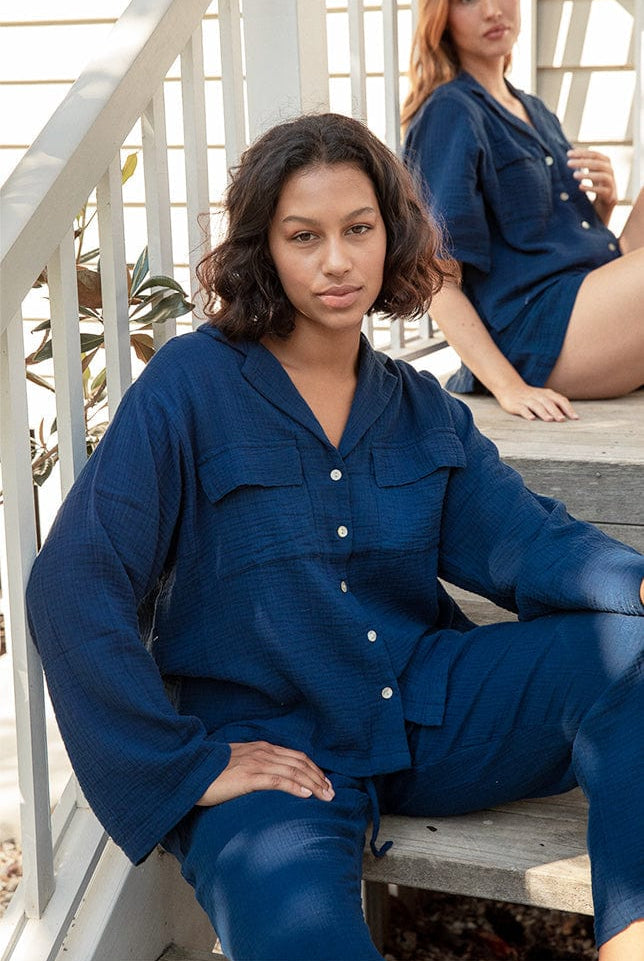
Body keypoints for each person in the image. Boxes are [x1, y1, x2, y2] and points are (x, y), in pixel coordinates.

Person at [26, 113, 643, 961]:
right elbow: (74, 582)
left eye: (359, 229)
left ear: (391, 235)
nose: (337, 260)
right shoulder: (190, 386)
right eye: (303, 235)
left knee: (628, 646)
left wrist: (634, 582)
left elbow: (525, 542)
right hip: (272, 758)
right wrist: (185, 764)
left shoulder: (421, 406)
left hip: (421, 712)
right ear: (264, 249)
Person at [402, 0, 644, 421]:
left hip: (585, 297)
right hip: (539, 331)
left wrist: (601, 208)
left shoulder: (534, 109)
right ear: (440, 19)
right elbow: (435, 276)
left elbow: (544, 246)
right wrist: (508, 387)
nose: (493, 10)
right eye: (467, 1)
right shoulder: (450, 112)